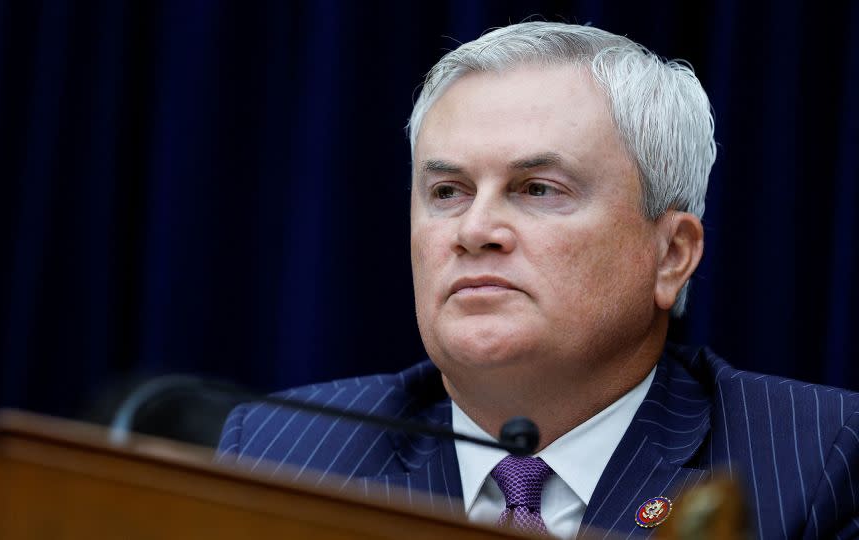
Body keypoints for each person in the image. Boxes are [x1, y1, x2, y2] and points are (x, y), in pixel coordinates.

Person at [218, 22, 859, 539]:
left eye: (536, 190)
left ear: (671, 255)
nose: (474, 229)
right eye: (447, 191)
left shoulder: (817, 461)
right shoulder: (285, 453)